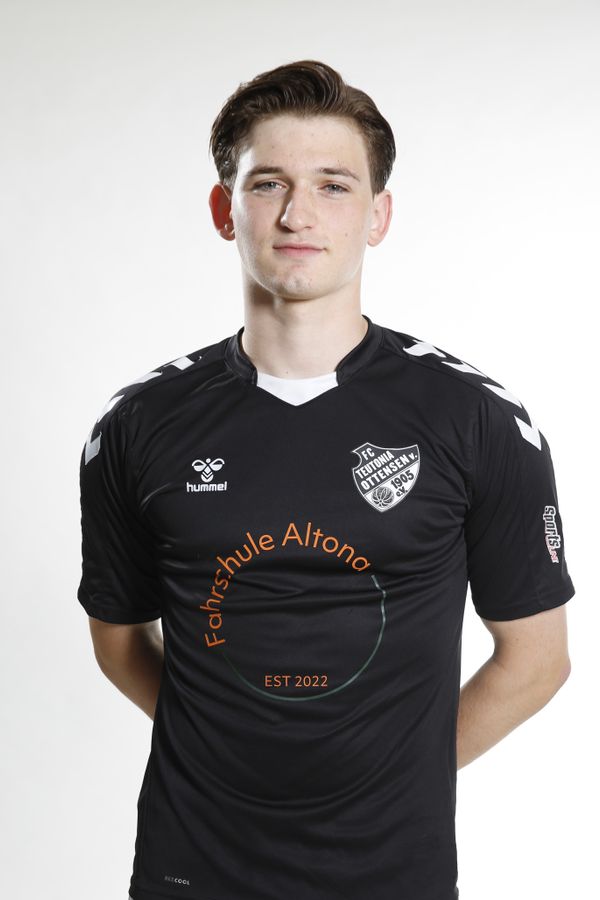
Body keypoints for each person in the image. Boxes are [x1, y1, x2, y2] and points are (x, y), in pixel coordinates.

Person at [78, 59, 575, 900]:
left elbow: (537, 660)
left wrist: (393, 773)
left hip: (391, 873)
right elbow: (120, 644)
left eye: (333, 186)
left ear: (378, 215)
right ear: (224, 209)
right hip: (189, 866)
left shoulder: (476, 419)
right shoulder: (137, 425)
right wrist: (232, 755)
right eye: (267, 183)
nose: (297, 213)